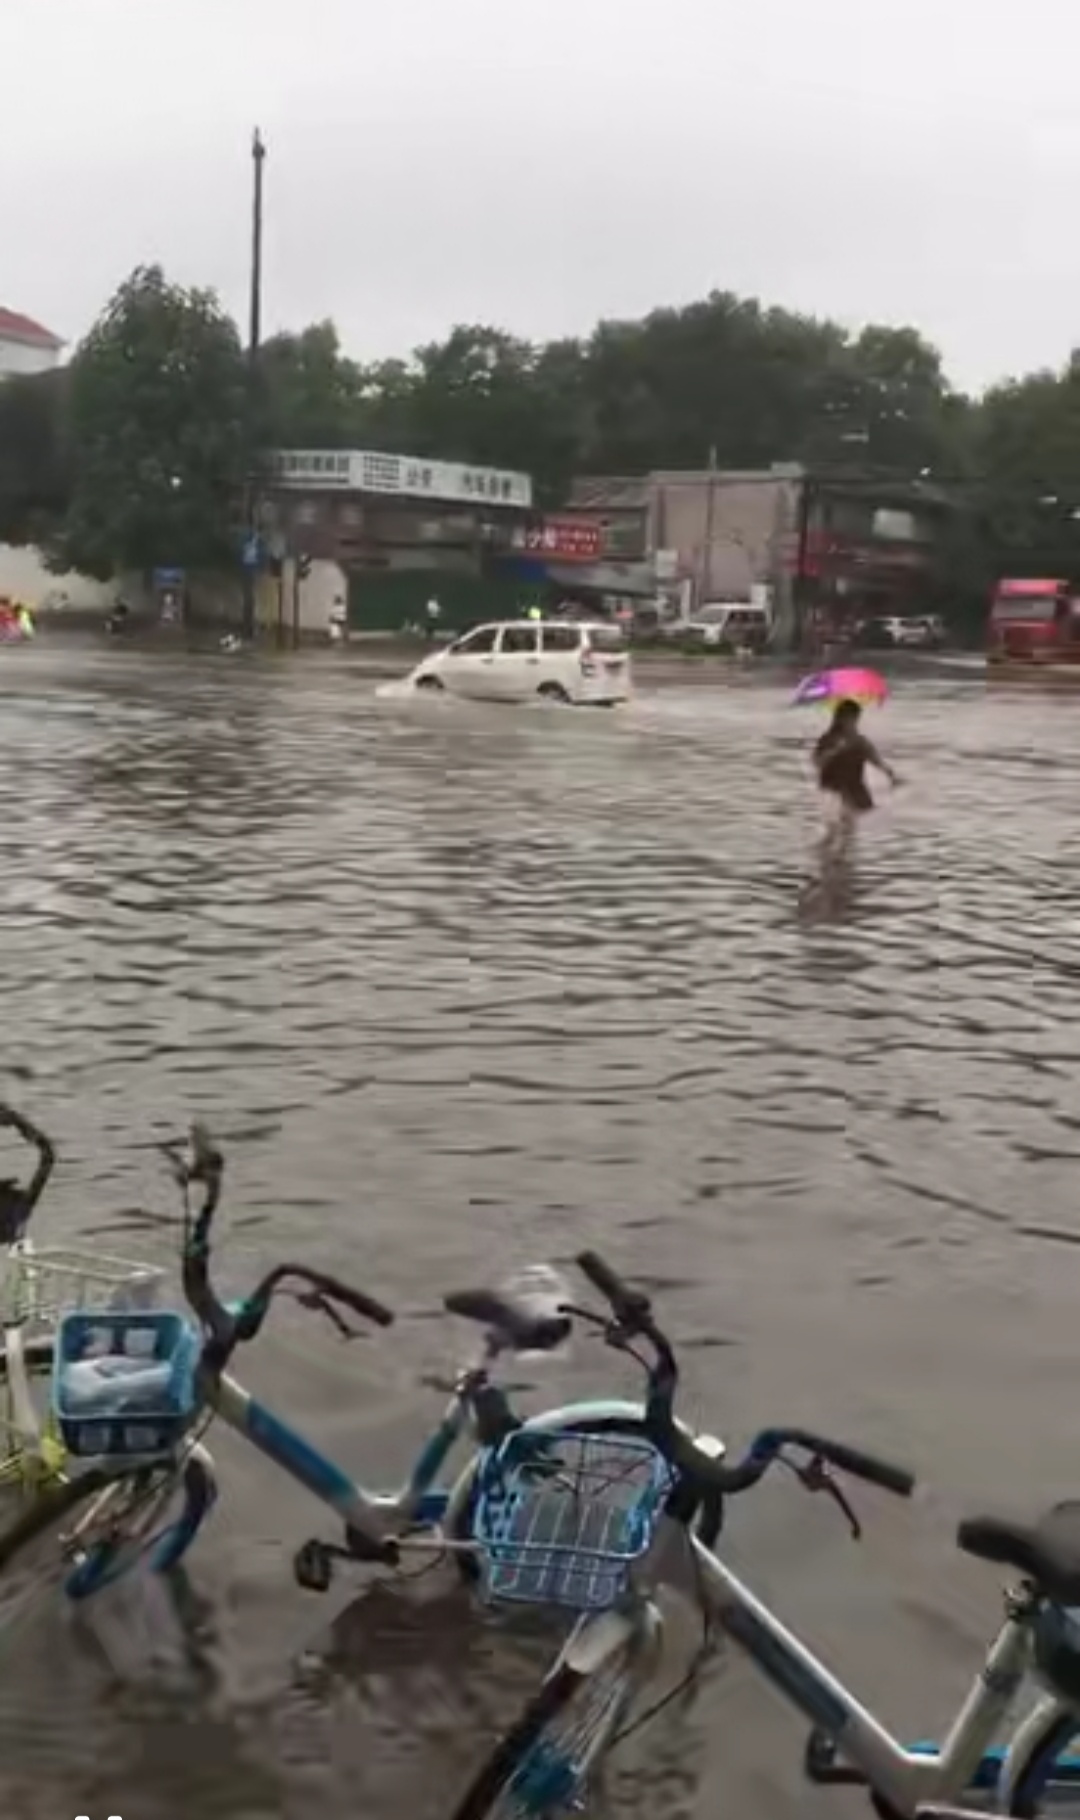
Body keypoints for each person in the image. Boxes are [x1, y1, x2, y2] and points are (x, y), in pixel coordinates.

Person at [813, 698, 899, 861]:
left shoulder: (860, 740)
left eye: (855, 718)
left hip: (854, 786)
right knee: (833, 829)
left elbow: (875, 759)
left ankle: (842, 861)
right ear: (839, 718)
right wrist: (834, 750)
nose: (852, 722)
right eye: (849, 718)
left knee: (849, 828)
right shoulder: (829, 739)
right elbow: (817, 762)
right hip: (833, 787)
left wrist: (890, 775)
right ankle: (825, 858)